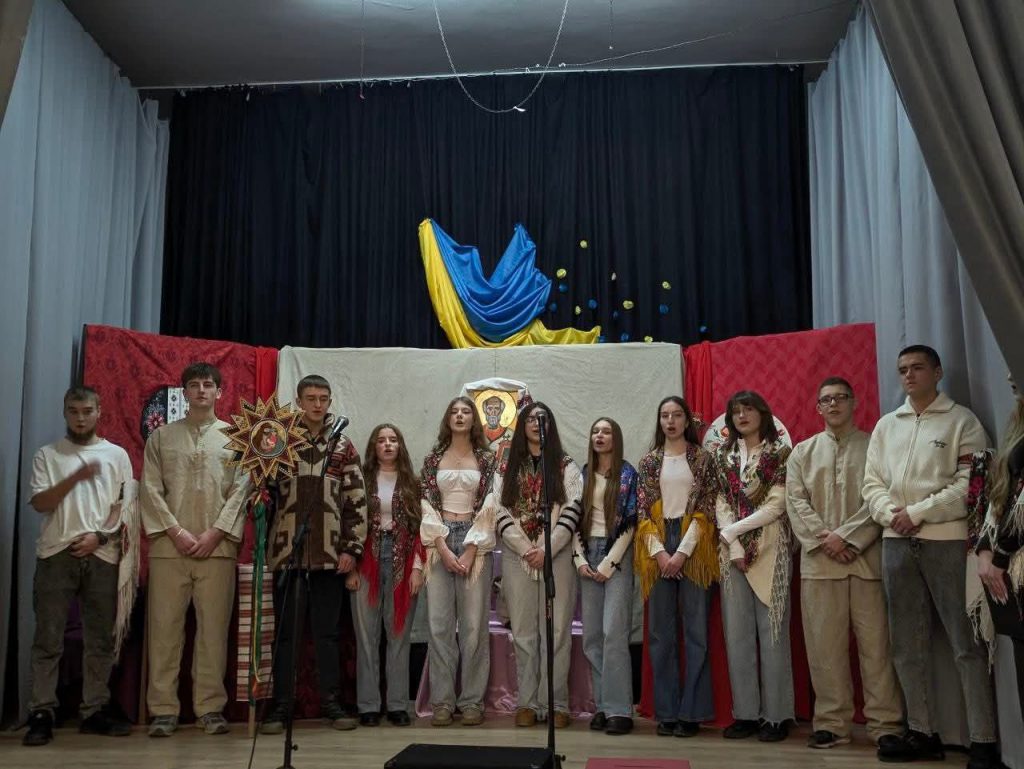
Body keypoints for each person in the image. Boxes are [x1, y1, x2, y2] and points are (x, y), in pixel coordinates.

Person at [862, 345, 999, 767]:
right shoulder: (887, 425)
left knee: (965, 643)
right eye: (903, 369)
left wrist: (918, 513)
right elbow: (871, 483)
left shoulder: (962, 421)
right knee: (905, 643)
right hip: (895, 542)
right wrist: (891, 514)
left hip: (947, 541)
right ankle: (922, 732)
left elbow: (971, 485)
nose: (909, 375)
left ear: (937, 372)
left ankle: (983, 740)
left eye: (918, 367)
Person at [786, 377, 903, 752]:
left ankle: (886, 724)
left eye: (840, 398)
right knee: (824, 650)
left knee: (877, 649)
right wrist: (828, 539)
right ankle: (832, 724)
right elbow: (795, 502)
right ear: (817, 408)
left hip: (866, 563)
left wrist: (849, 538)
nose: (833, 404)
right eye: (826, 400)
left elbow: (882, 498)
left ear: (854, 402)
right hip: (820, 566)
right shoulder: (802, 452)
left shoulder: (875, 447)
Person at [140, 362, 250, 737]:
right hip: (169, 549)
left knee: (213, 633)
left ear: (220, 392)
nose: (201, 390)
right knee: (164, 631)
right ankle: (163, 710)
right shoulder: (161, 437)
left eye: (208, 384)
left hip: (217, 550)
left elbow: (241, 491)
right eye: (194, 385)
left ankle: (210, 708)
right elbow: (149, 489)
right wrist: (176, 532)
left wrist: (215, 534)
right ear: (184, 392)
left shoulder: (236, 438)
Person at [23, 386, 135, 746]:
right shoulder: (48, 454)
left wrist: (99, 537)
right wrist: (75, 476)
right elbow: (41, 503)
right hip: (56, 553)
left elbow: (123, 507)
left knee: (99, 638)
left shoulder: (116, 455)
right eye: (74, 411)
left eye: (87, 411)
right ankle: (42, 711)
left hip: (101, 553)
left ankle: (94, 709)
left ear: (99, 411)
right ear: (65, 413)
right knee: (48, 638)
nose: (81, 418)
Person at [260, 374, 367, 734]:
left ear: (330, 401)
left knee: (327, 634)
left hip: (329, 554)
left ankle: (331, 703)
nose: (317, 404)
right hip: (287, 552)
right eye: (311, 398)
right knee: (286, 635)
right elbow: (265, 491)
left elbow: (356, 500)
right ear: (299, 401)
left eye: (323, 398)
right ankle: (281, 705)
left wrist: (351, 549)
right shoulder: (280, 439)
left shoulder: (342, 444)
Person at [493, 402, 583, 729]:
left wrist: (547, 548)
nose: (536, 423)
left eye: (542, 419)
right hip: (518, 556)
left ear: (550, 426)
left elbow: (573, 509)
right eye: (530, 419)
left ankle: (556, 703)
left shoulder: (566, 466)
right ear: (522, 426)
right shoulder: (506, 467)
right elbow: (498, 510)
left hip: (556, 556)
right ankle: (528, 702)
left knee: (557, 632)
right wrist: (526, 548)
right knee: (523, 632)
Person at [634, 396, 719, 738]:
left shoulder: (702, 459)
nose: (670, 421)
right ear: (660, 421)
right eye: (665, 415)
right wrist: (660, 554)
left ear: (687, 420)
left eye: (677, 415)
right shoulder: (649, 461)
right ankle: (667, 711)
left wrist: (682, 552)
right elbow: (642, 511)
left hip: (694, 543)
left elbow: (708, 508)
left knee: (696, 631)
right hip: (657, 541)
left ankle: (692, 713)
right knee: (660, 634)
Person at [715, 390, 794, 742]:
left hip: (770, 548)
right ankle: (746, 714)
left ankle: (776, 715)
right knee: (737, 634)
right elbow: (719, 500)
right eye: (736, 411)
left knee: (773, 633)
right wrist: (732, 541)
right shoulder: (723, 455)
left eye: (748, 409)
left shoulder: (780, 453)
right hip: (730, 553)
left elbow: (777, 505)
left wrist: (734, 530)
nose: (742, 416)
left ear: (763, 413)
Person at [419, 396, 497, 727]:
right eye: (455, 411)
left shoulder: (487, 459)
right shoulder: (433, 458)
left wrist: (470, 548)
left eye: (466, 411)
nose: (460, 415)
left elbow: (492, 502)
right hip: (439, 540)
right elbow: (425, 501)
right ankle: (442, 702)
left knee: (474, 626)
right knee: (439, 625)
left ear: (474, 419)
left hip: (474, 539)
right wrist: (442, 545)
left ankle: (472, 702)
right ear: (448, 419)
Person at [348, 423, 425, 727]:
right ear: (374, 447)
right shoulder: (361, 480)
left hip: (403, 561)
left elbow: (421, 529)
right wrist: (352, 567)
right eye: (381, 440)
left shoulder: (413, 484)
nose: (388, 444)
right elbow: (350, 524)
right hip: (366, 559)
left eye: (393, 440)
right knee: (366, 636)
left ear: (400, 445)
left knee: (399, 635)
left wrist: (417, 567)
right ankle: (368, 705)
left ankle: (397, 705)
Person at [573, 417, 638, 736]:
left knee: (614, 633)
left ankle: (620, 710)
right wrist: (579, 559)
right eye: (595, 431)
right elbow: (572, 519)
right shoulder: (582, 475)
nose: (599, 436)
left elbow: (631, 522)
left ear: (616, 438)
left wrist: (609, 563)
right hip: (588, 553)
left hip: (617, 557)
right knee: (592, 637)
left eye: (606, 431)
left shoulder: (628, 474)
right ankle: (602, 705)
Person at [977, 374, 1024, 716]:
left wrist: (1001, 555)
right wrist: (985, 547)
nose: (1008, 376)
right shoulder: (1017, 422)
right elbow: (1001, 496)